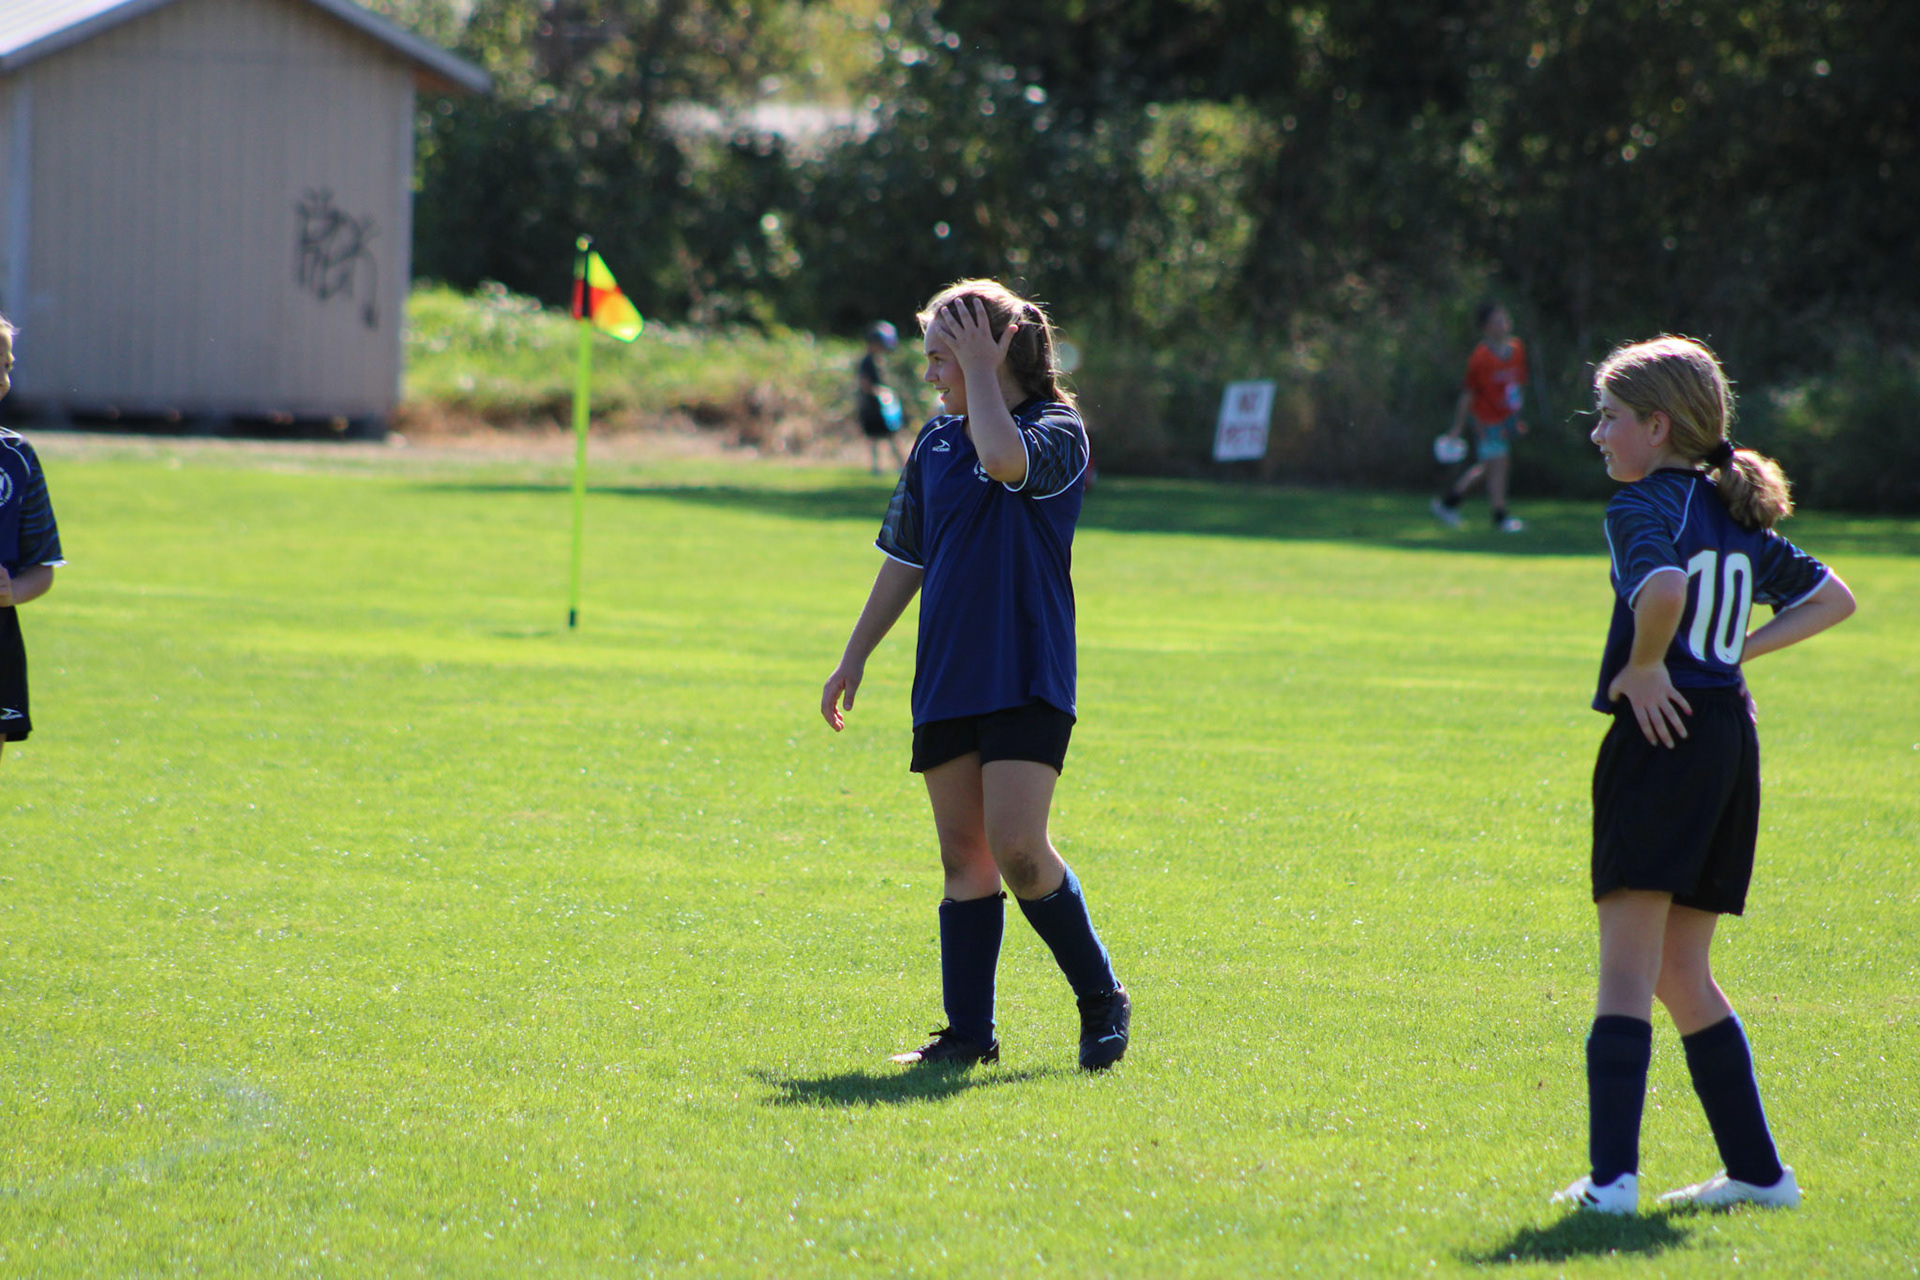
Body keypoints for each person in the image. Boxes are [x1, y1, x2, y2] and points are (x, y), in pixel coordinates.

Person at [1551, 336, 1855, 1215]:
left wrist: (1649, 665)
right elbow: (1832, 597)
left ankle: (1611, 1185)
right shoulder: (1733, 509)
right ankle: (1760, 1174)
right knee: (1681, 971)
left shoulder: (1643, 504)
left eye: (1610, 418)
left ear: (1658, 426)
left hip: (1663, 735)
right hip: (1726, 736)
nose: (1598, 434)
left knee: (1626, 971)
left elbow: (1664, 593)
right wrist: (1732, 655)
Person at [820, 279, 1130, 1071]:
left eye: (941, 357)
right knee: (966, 860)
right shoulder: (933, 443)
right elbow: (907, 555)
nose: (929, 376)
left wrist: (984, 373)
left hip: (1026, 668)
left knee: (1019, 849)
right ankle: (967, 1036)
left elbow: (1003, 460)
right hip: (949, 672)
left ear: (991, 353)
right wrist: (855, 654)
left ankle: (1102, 998)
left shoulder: (1058, 430)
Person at [0, 314, 65, 766]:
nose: (2, 379)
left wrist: (13, 592)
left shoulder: (18, 457)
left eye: (6, 366)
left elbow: (43, 566)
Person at [1432, 301, 1530, 532]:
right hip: (1487, 420)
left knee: (1490, 466)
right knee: (1499, 464)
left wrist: (1516, 418)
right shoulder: (1481, 357)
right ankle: (1500, 517)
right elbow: (1468, 394)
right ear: (1486, 328)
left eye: (1503, 319)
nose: (1502, 325)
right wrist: (1458, 428)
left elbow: (1517, 387)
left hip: (1506, 419)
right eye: (1496, 322)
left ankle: (1449, 503)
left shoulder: (1517, 349)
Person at [857, 321, 906, 476]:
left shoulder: (878, 361)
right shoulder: (867, 362)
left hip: (883, 407)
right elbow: (865, 384)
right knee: (876, 438)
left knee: (892, 436)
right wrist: (880, 392)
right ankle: (878, 467)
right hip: (873, 407)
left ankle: (900, 466)